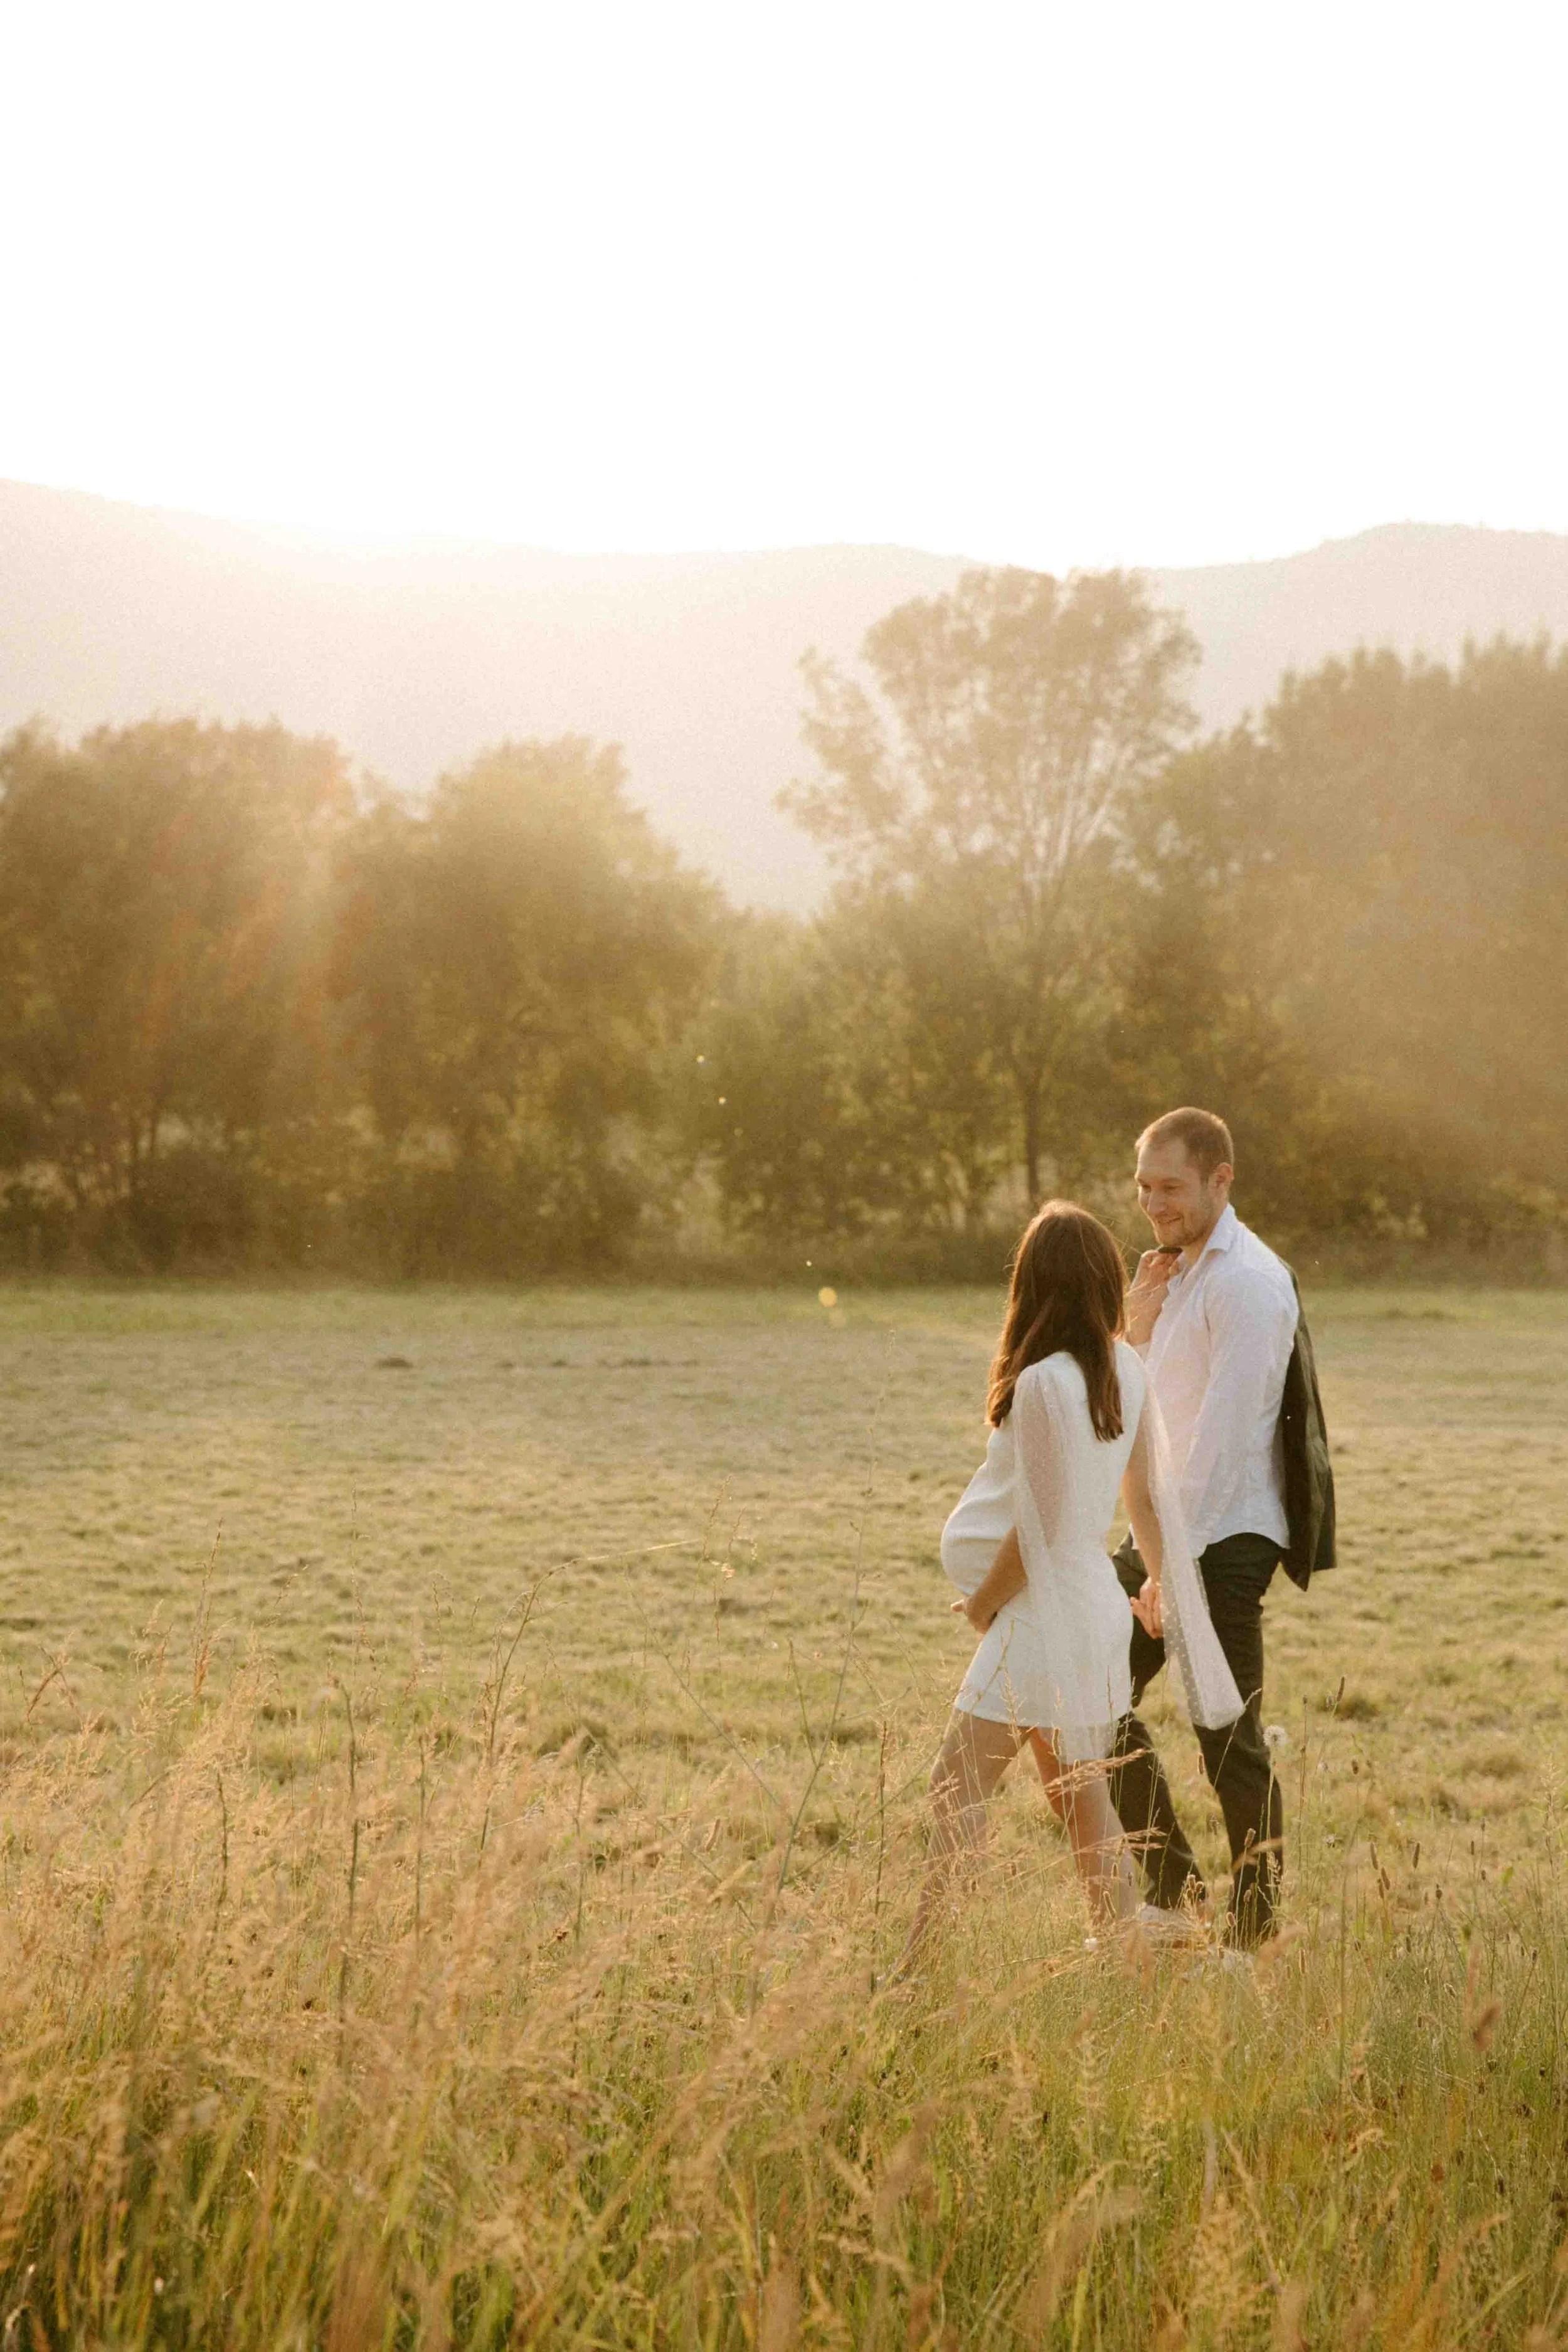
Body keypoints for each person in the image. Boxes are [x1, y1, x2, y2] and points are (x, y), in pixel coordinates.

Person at [899, 1200, 1243, 1966]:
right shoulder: (1124, 1368)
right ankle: (1125, 1956)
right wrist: (1157, 1580)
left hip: (1039, 1615)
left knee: (956, 1790)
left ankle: (920, 1968)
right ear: (1099, 1283)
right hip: (1085, 1612)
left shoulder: (1047, 1384)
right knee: (1081, 1800)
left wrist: (984, 1605)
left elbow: (1041, 1528)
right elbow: (1143, 1499)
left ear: (1031, 1285)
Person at [1109, 1106, 1335, 1947]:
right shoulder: (1175, 1271)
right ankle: (1174, 1884)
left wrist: (1168, 1571)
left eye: (1170, 1186)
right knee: (1086, 1685)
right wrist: (1133, 1323)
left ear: (1220, 1178)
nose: (1153, 1202)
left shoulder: (1247, 1282)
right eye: (1143, 1187)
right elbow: (1142, 1408)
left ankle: (1255, 1930)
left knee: (1226, 1730)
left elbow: (1224, 1444)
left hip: (1225, 1538)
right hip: (1165, 1527)